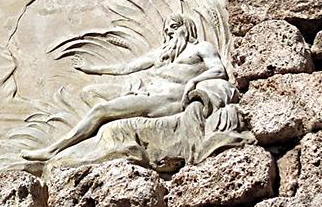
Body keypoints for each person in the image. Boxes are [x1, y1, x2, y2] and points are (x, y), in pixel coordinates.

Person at [22, 13, 228, 161]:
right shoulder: (162, 55)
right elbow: (127, 67)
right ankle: (79, 144)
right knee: (95, 98)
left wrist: (193, 82)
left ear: (187, 28)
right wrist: (91, 69)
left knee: (101, 110)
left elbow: (219, 69)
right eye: (167, 30)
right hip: (149, 95)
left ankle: (53, 150)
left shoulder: (201, 47)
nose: (169, 33)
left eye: (174, 27)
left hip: (169, 100)